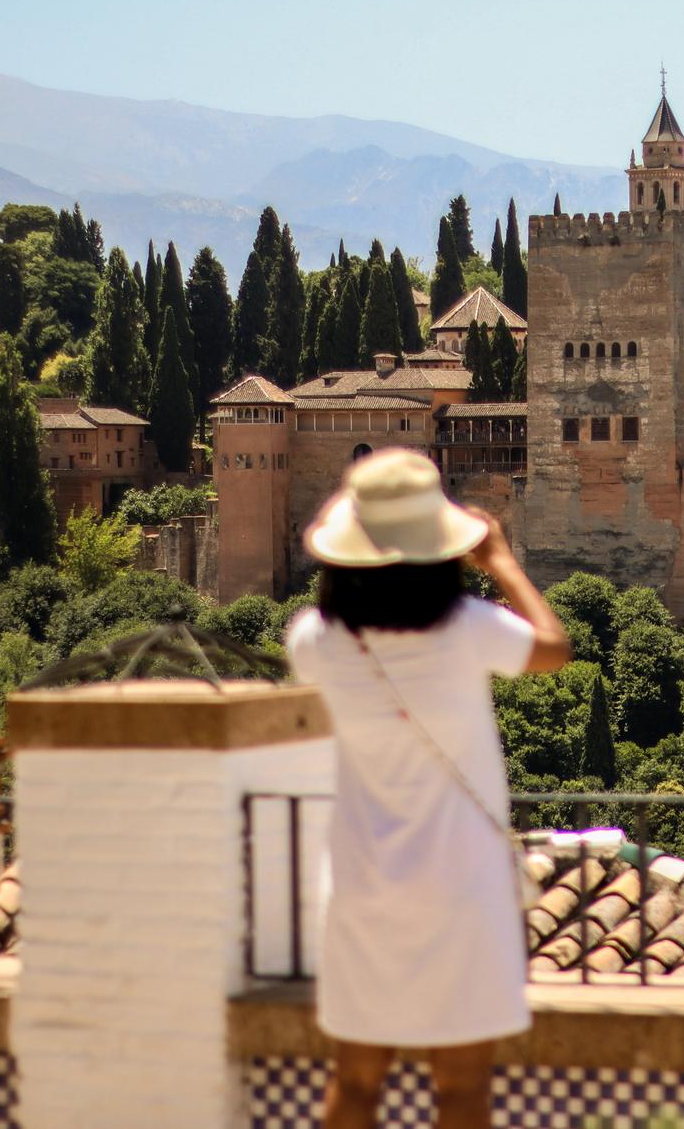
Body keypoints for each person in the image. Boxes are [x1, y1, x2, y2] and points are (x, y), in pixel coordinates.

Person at [284, 449, 570, 1129]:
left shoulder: (314, 641)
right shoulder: (469, 630)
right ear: (440, 548)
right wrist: (499, 559)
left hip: (361, 884)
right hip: (463, 889)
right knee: (463, 1091)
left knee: (354, 1082)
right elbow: (553, 647)